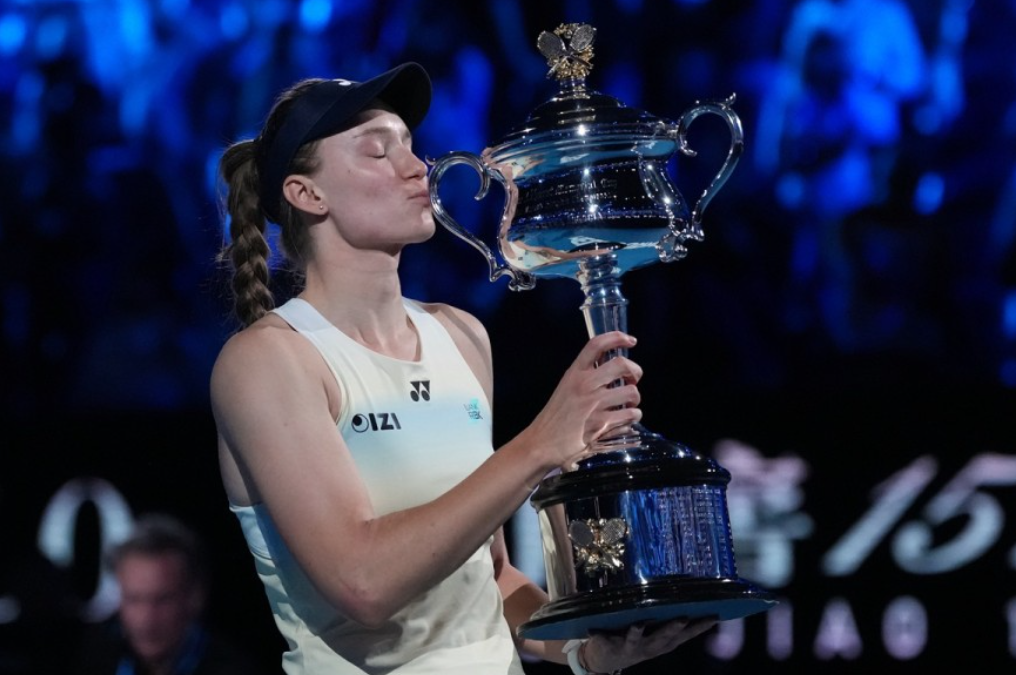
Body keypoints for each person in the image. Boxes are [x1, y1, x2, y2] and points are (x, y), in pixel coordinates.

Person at [210, 61, 716, 675]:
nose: (416, 166)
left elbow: (491, 577)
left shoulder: (460, 335)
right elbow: (362, 582)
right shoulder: (268, 360)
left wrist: (587, 651)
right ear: (306, 194)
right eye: (377, 152)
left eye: (410, 146)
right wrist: (537, 446)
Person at [73, 513, 267, 675]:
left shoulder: (232, 670)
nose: (146, 619)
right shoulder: (98, 661)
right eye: (134, 599)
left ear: (194, 597)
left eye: (162, 600)